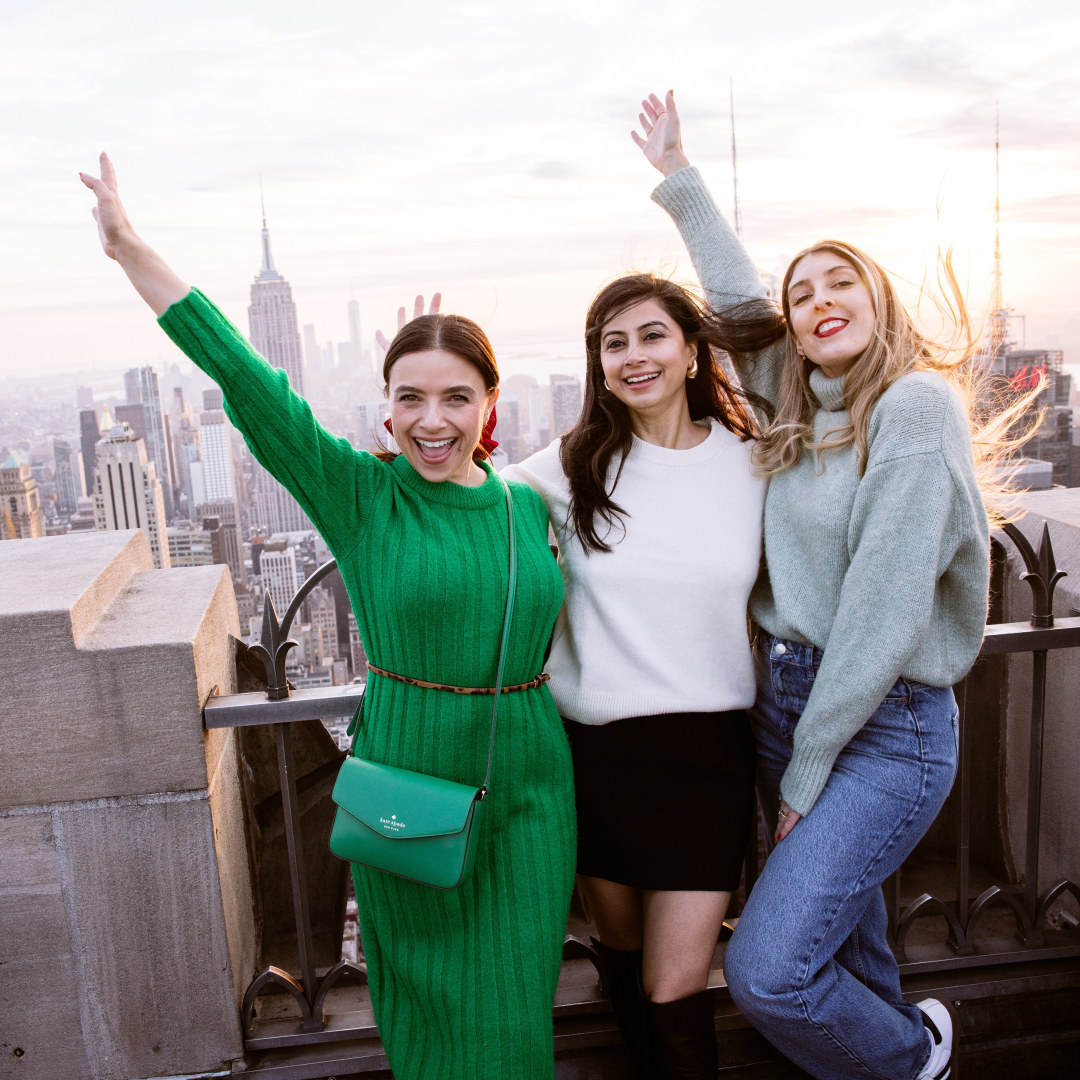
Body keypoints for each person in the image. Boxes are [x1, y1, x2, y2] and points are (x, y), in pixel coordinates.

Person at [80, 154, 576, 1080]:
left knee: (517, 1017)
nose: (434, 420)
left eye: (456, 397)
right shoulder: (362, 494)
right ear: (384, 411)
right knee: (435, 1021)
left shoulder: (526, 502)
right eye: (410, 398)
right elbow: (249, 381)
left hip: (533, 787)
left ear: (491, 405)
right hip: (411, 782)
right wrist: (129, 248)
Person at [632, 90, 1006, 1080]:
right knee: (846, 948)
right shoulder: (797, 414)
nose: (819, 299)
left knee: (771, 969)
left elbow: (885, 611)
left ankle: (918, 1057)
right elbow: (740, 302)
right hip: (788, 699)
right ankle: (891, 1047)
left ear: (878, 303)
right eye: (805, 294)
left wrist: (808, 766)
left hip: (884, 725)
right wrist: (679, 179)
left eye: (842, 282)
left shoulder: (916, 409)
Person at [503, 273, 783, 1078]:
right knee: (622, 961)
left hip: (708, 760)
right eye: (613, 342)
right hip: (596, 758)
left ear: (693, 351)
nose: (634, 357)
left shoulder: (754, 465)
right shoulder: (568, 467)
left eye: (652, 335)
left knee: (676, 983)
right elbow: (465, 493)